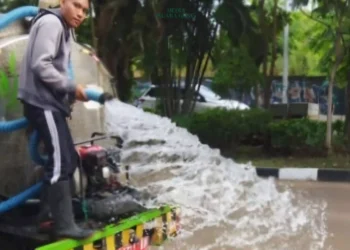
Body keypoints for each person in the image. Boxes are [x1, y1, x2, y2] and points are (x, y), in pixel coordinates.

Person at [17, 0, 102, 240]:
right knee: (60, 162)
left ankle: (47, 217)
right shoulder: (52, 22)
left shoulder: (63, 27)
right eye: (76, 5)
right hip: (42, 104)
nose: (81, 13)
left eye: (85, 10)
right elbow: (40, 64)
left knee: (68, 159)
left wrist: (68, 95)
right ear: (62, 2)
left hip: (50, 104)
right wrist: (71, 87)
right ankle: (63, 225)